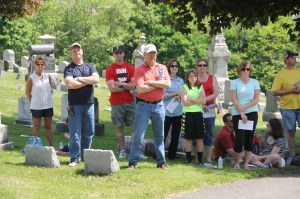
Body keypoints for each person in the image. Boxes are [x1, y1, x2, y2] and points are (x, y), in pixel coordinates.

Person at [128, 44, 170, 170]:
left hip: (159, 105)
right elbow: (140, 88)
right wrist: (159, 85)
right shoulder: (140, 69)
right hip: (143, 105)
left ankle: (161, 162)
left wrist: (150, 82)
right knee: (138, 135)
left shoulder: (162, 68)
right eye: (150, 53)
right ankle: (132, 162)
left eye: (154, 53)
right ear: (144, 55)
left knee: (159, 136)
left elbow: (167, 84)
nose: (153, 55)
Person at [64, 42, 99, 167]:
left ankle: (85, 156)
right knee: (74, 133)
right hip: (75, 105)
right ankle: (74, 158)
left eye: (78, 50)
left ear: (82, 52)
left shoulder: (90, 66)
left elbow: (96, 79)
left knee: (89, 132)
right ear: (71, 53)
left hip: (89, 104)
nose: (76, 52)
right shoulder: (69, 68)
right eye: (74, 51)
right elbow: (70, 84)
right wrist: (87, 81)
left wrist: (78, 79)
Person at [106, 45, 135, 159]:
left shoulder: (130, 68)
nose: (118, 55)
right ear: (114, 55)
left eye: (120, 52)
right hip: (116, 102)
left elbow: (134, 85)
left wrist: (121, 84)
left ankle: (134, 150)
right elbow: (112, 88)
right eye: (116, 53)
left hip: (130, 101)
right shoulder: (110, 69)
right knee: (119, 127)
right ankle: (122, 150)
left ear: (123, 54)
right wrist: (127, 86)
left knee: (134, 127)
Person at [230, 61, 260, 170]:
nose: (246, 71)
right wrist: (241, 112)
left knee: (249, 139)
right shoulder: (235, 82)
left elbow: (257, 98)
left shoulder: (254, 82)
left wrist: (245, 107)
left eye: (248, 69)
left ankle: (246, 164)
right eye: (244, 69)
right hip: (238, 113)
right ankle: (237, 163)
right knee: (240, 139)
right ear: (240, 70)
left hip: (252, 113)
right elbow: (234, 99)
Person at [271, 50, 300, 164]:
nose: (295, 60)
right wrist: (291, 91)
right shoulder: (280, 74)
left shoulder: (299, 71)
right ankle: (292, 155)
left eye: (295, 58)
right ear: (286, 59)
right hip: (288, 107)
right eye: (292, 58)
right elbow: (274, 92)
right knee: (291, 131)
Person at [25, 56, 54, 147]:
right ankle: (35, 146)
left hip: (48, 105)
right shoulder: (31, 78)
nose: (40, 66)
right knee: (36, 126)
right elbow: (27, 92)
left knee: (48, 127)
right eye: (38, 64)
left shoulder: (47, 76)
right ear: (35, 65)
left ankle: (52, 147)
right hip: (37, 106)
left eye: (42, 64)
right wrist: (32, 102)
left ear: (44, 66)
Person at [181, 69, 206, 164]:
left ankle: (199, 160)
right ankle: (189, 159)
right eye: (191, 76)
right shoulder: (184, 87)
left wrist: (191, 98)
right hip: (188, 114)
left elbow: (204, 101)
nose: (193, 78)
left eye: (195, 76)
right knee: (188, 138)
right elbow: (184, 102)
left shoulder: (200, 87)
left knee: (200, 138)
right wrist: (197, 99)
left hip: (198, 114)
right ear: (187, 77)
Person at [196, 58, 219, 164]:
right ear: (197, 66)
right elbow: (191, 93)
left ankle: (208, 157)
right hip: (196, 108)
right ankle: (197, 157)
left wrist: (205, 101)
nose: (202, 67)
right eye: (200, 65)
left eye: (204, 65)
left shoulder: (212, 78)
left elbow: (215, 93)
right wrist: (201, 104)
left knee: (208, 133)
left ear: (207, 66)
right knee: (196, 133)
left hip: (209, 109)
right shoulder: (194, 78)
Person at [163, 58, 184, 160]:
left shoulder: (181, 81)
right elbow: (163, 95)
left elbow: (184, 94)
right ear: (169, 67)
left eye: (176, 66)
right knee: (164, 134)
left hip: (178, 111)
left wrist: (181, 96)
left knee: (176, 135)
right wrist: (174, 94)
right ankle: (159, 154)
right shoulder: (165, 80)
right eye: (172, 66)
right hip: (166, 111)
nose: (174, 68)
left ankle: (172, 155)